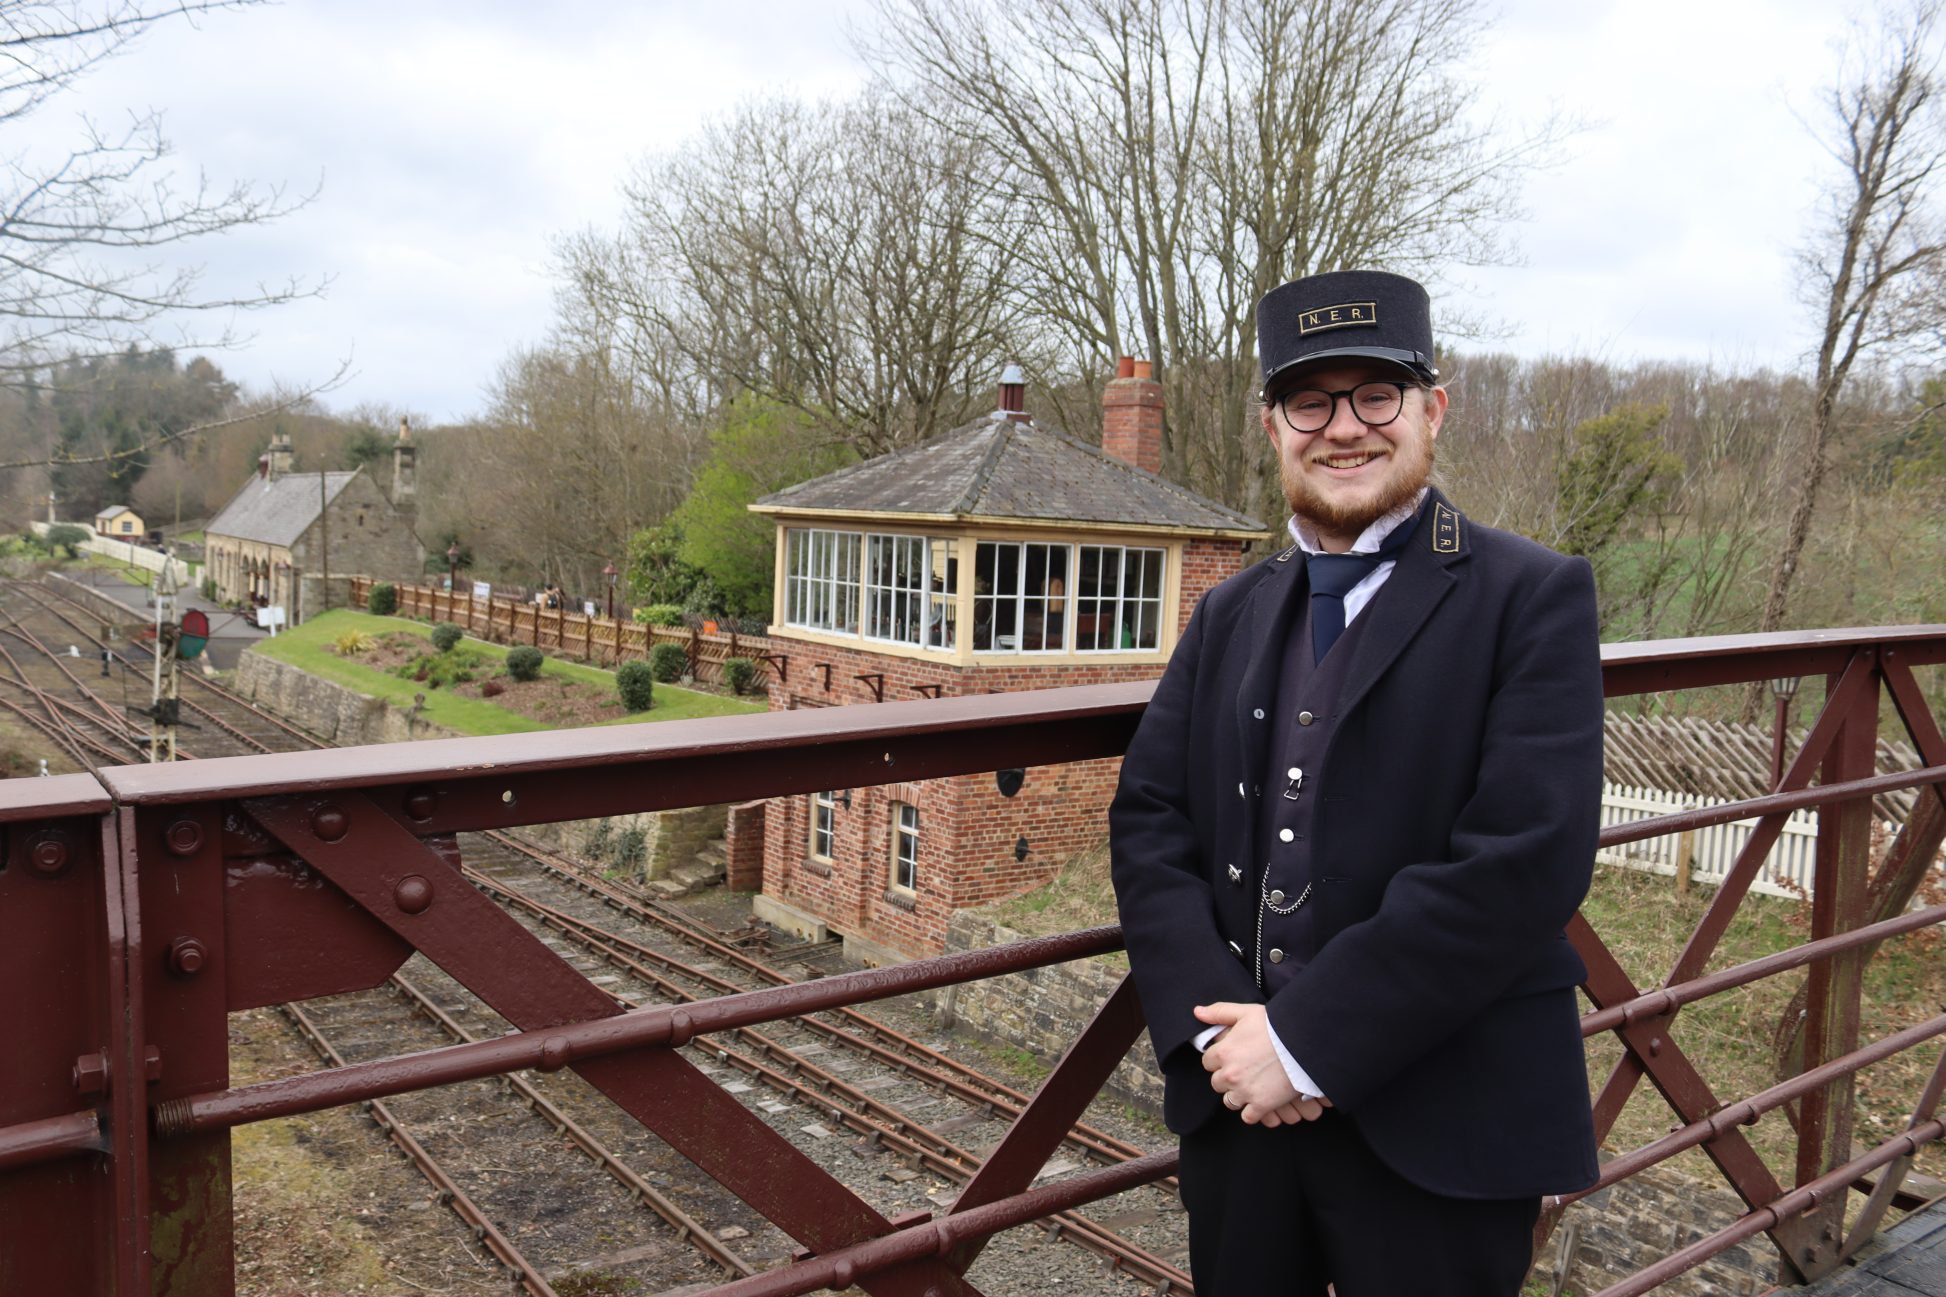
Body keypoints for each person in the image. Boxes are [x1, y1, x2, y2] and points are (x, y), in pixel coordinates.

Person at [1109, 269, 1603, 1296]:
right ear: (1270, 424)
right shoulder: (1227, 611)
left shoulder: (1532, 594)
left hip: (1445, 1117)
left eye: (1374, 395)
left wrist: (1304, 1041)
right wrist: (1222, 1035)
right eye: (1309, 400)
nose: (1343, 429)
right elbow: (1149, 821)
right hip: (1240, 1115)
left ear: (1432, 406)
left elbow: (1524, 856)